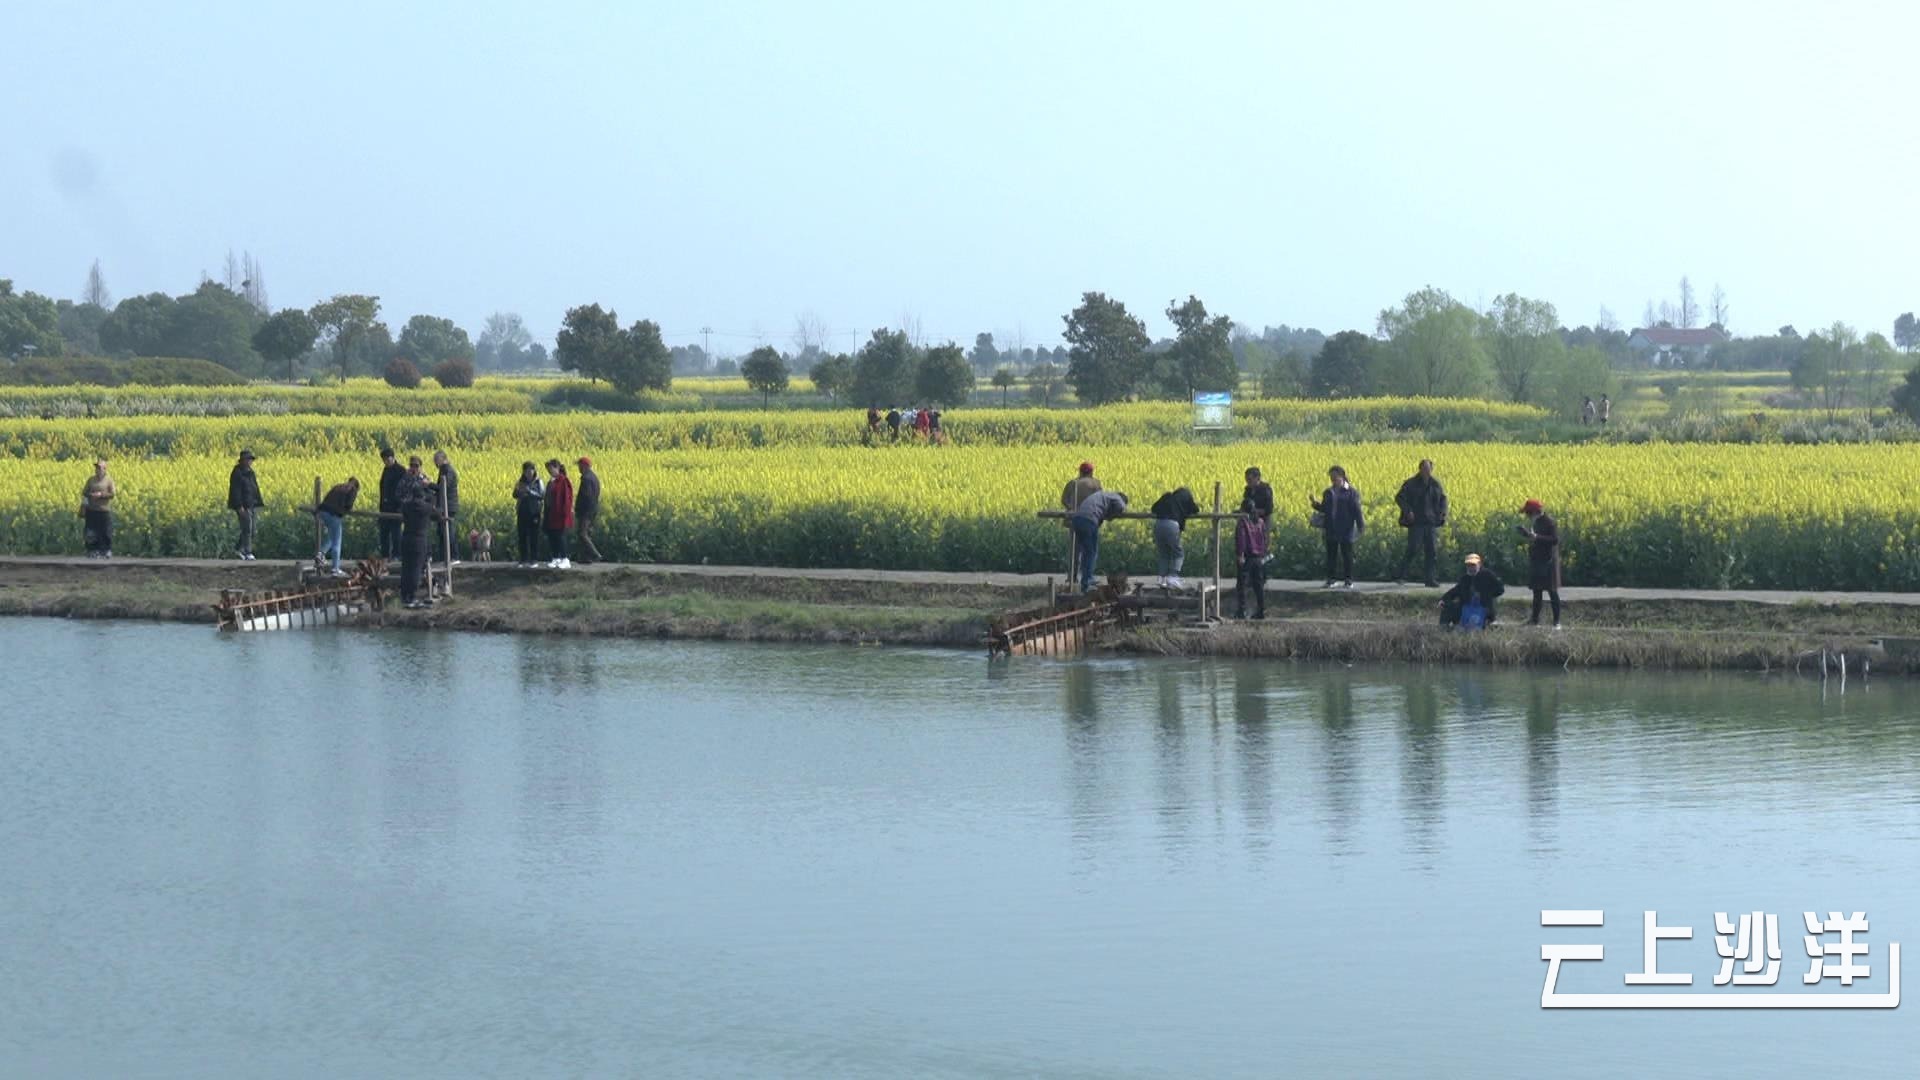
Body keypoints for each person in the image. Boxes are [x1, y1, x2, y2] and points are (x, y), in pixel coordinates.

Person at [1393, 459, 1448, 587]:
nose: (1426, 472)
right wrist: (1408, 511)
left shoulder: (1435, 484)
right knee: (1413, 549)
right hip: (1416, 522)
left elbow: (1443, 499)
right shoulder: (1411, 483)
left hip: (1430, 522)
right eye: (1424, 469)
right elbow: (1399, 497)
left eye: (1429, 469)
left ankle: (1430, 579)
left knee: (1432, 551)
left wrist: (1442, 513)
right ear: (1420, 469)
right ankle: (1401, 575)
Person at [1310, 465, 1364, 588]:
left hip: (1346, 528)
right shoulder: (1328, 492)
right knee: (1331, 555)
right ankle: (1331, 579)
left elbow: (1357, 510)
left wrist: (1361, 525)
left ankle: (1348, 580)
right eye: (1331, 477)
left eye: (1335, 477)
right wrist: (1315, 504)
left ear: (1342, 476)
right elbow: (1324, 509)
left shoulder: (1351, 492)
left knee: (1347, 555)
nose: (1333, 480)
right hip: (1331, 527)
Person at [1067, 489, 1128, 592]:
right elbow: (1122, 506)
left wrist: (1107, 515)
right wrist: (1113, 515)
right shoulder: (1116, 497)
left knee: (1086, 552)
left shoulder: (1102, 495)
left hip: (1077, 520)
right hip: (1088, 520)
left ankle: (1085, 581)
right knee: (1091, 552)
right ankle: (1087, 583)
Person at [397, 456, 436, 608]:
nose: (414, 468)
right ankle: (411, 596)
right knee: (414, 568)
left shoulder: (407, 506)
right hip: (418, 538)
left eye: (416, 465)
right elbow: (433, 502)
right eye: (412, 465)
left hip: (407, 536)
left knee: (407, 567)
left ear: (420, 466)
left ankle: (405, 596)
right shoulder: (406, 480)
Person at [1519, 498, 1562, 629]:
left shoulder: (1549, 522)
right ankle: (1534, 620)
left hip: (1548, 562)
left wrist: (1536, 537)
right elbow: (1535, 537)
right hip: (1537, 561)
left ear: (1534, 512)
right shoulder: (1536, 522)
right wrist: (1527, 535)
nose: (1527, 516)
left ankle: (1557, 622)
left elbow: (1555, 540)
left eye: (1528, 513)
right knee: (1537, 592)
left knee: (1552, 592)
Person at [1149, 486, 1201, 587]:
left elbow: (1153, 508)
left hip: (1158, 524)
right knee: (1178, 553)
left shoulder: (1167, 497)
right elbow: (1196, 509)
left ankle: (1161, 578)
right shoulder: (1186, 498)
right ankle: (1173, 576)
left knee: (1164, 553)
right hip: (1172, 525)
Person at [1439, 553, 1504, 628]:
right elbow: (1455, 591)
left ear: (1479, 564)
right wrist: (1443, 599)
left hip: (1483, 609)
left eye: (1473, 565)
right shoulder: (1465, 578)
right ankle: (1444, 628)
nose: (1470, 568)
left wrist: (1486, 595)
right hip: (1466, 609)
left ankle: (1488, 623)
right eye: (1468, 565)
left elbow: (1500, 589)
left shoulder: (1488, 575)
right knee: (1447, 606)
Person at [315, 477, 360, 576]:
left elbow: (327, 498)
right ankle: (335, 569)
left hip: (322, 511)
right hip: (334, 514)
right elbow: (349, 505)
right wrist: (346, 510)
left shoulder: (338, 486)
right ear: (356, 486)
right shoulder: (352, 489)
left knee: (331, 536)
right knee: (337, 542)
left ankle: (321, 554)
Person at [227, 448, 263, 560]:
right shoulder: (237, 473)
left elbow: (254, 488)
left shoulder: (250, 472)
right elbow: (235, 491)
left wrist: (258, 502)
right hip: (243, 506)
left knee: (252, 530)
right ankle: (248, 552)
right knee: (247, 529)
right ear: (241, 460)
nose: (249, 462)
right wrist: (239, 506)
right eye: (247, 459)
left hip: (251, 505)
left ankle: (238, 550)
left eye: (250, 460)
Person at [1234, 511, 1269, 619]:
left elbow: (1241, 539)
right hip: (1259, 558)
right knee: (1258, 585)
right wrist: (1264, 553)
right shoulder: (1261, 522)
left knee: (1242, 585)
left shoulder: (1243, 522)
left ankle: (1242, 611)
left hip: (1248, 557)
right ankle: (1261, 610)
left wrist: (1240, 554)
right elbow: (1265, 538)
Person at [81, 458, 116, 558]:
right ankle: (92, 550)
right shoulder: (91, 480)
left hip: (103, 509)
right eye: (96, 468)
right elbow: (84, 492)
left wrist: (101, 495)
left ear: (105, 469)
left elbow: (112, 494)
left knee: (105, 531)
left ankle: (106, 550)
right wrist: (91, 494)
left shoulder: (109, 480)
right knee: (91, 531)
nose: (97, 470)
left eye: (100, 468)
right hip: (91, 510)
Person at [512, 461, 545, 566]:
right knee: (522, 536)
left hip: (534, 512)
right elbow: (514, 494)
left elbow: (541, 495)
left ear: (534, 470)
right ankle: (523, 558)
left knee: (534, 536)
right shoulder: (520, 482)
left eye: (530, 470)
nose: (528, 473)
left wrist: (529, 492)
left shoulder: (538, 482)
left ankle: (534, 559)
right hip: (522, 511)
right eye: (526, 471)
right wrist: (519, 491)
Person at [543, 459, 574, 568]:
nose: (549, 471)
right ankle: (556, 557)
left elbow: (567, 498)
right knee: (553, 536)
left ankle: (565, 558)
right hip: (552, 514)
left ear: (557, 468)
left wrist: (565, 512)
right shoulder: (552, 481)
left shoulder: (564, 481)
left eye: (551, 469)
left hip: (560, 514)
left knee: (561, 536)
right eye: (548, 470)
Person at [431, 450, 460, 566]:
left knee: (449, 532)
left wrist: (429, 484)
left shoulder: (448, 470)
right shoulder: (444, 470)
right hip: (443, 506)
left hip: (449, 506)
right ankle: (444, 557)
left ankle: (454, 556)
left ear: (442, 459)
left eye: (436, 461)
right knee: (442, 532)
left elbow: (443, 487)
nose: (435, 464)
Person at [376, 447, 405, 558]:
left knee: (396, 533)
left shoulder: (400, 470)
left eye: (387, 460)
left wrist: (400, 506)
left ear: (393, 458)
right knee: (384, 533)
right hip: (385, 507)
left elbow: (402, 490)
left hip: (396, 507)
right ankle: (385, 555)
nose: (386, 462)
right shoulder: (385, 470)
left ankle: (397, 555)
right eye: (384, 460)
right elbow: (383, 489)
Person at [574, 456, 603, 564]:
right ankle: (586, 558)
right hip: (593, 510)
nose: (578, 468)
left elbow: (586, 497)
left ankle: (595, 554)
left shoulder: (586, 479)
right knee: (587, 533)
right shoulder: (594, 477)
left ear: (585, 466)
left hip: (586, 511)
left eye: (579, 465)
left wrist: (579, 510)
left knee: (582, 533)